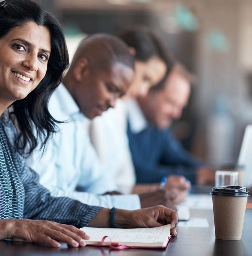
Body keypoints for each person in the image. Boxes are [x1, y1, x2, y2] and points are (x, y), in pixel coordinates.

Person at [0, 0, 178, 255]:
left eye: (42, 56)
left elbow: (37, 201)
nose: (31, 64)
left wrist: (126, 217)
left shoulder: (1, 128)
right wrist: (7, 227)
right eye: (19, 47)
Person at [22, 32, 179, 211]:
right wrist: (130, 204)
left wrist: (135, 207)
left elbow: (98, 181)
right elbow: (44, 197)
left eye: (119, 95)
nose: (113, 103)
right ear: (82, 70)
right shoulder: (43, 109)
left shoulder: (77, 117)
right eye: (110, 89)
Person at [89, 26, 190, 202]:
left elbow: (122, 183)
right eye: (145, 78)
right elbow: (98, 189)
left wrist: (160, 191)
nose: (144, 92)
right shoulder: (96, 108)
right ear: (129, 57)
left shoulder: (119, 109)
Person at [128, 62, 215, 185]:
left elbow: (179, 158)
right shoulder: (122, 118)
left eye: (180, 107)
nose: (176, 115)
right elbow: (136, 173)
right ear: (147, 90)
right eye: (171, 103)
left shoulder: (157, 125)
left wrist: (213, 173)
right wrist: (196, 176)